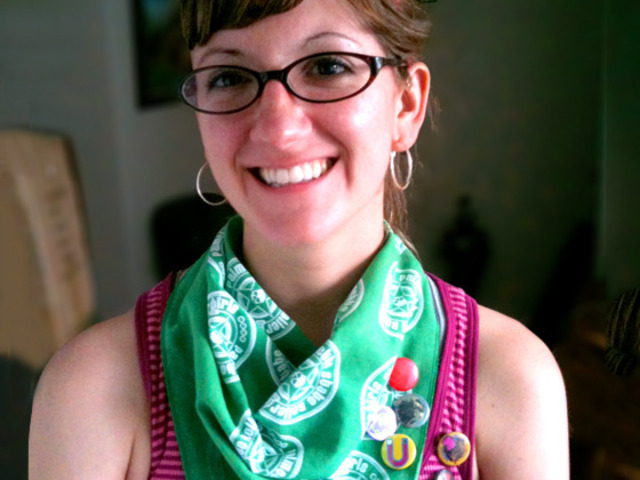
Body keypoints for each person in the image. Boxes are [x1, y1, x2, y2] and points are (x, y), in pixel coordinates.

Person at [29, 0, 570, 478]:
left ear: (406, 105)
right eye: (229, 76)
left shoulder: (508, 380)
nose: (278, 129)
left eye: (328, 66)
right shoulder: (93, 389)